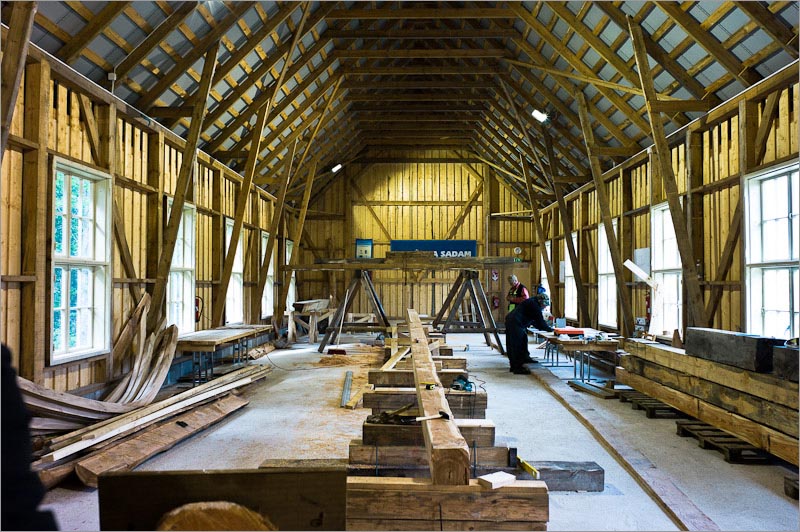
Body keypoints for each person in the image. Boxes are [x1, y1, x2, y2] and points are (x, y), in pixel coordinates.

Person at [504, 293, 553, 375]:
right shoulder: (534, 305)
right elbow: (540, 321)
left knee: (523, 340)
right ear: (540, 302)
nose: (544, 307)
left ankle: (525, 358)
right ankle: (516, 367)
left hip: (514, 321)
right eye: (544, 305)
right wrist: (550, 329)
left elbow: (534, 321)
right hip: (515, 322)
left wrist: (544, 327)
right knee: (516, 344)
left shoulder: (532, 302)